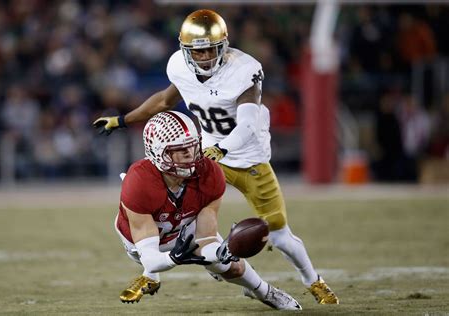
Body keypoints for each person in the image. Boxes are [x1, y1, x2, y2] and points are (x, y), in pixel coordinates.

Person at [94, 9, 338, 305]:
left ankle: (314, 281)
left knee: (278, 234)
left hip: (247, 158)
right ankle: (160, 269)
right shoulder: (180, 68)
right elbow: (162, 101)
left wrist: (221, 149)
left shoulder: (244, 69)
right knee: (165, 208)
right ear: (185, 51)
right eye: (198, 51)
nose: (205, 57)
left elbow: (247, 123)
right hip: (206, 154)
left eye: (211, 49)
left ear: (223, 46)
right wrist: (121, 120)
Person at [114, 110, 301, 311]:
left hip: (185, 227)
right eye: (180, 149)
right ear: (158, 153)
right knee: (153, 268)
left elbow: (206, 237)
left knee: (230, 266)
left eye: (193, 146)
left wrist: (222, 252)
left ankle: (264, 291)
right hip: (142, 242)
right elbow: (151, 259)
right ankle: (151, 278)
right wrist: (172, 258)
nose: (190, 154)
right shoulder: (139, 182)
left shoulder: (209, 172)